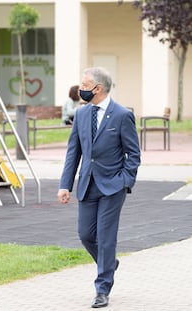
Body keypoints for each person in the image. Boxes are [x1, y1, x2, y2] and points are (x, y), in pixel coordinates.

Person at [57, 67, 141, 308]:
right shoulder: (81, 114)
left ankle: (102, 289)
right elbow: (74, 152)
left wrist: (125, 180)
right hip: (87, 184)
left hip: (112, 186)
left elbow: (133, 155)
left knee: (105, 238)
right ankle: (109, 263)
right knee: (85, 235)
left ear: (98, 88)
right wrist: (65, 185)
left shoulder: (122, 115)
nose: (81, 89)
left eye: (84, 85)